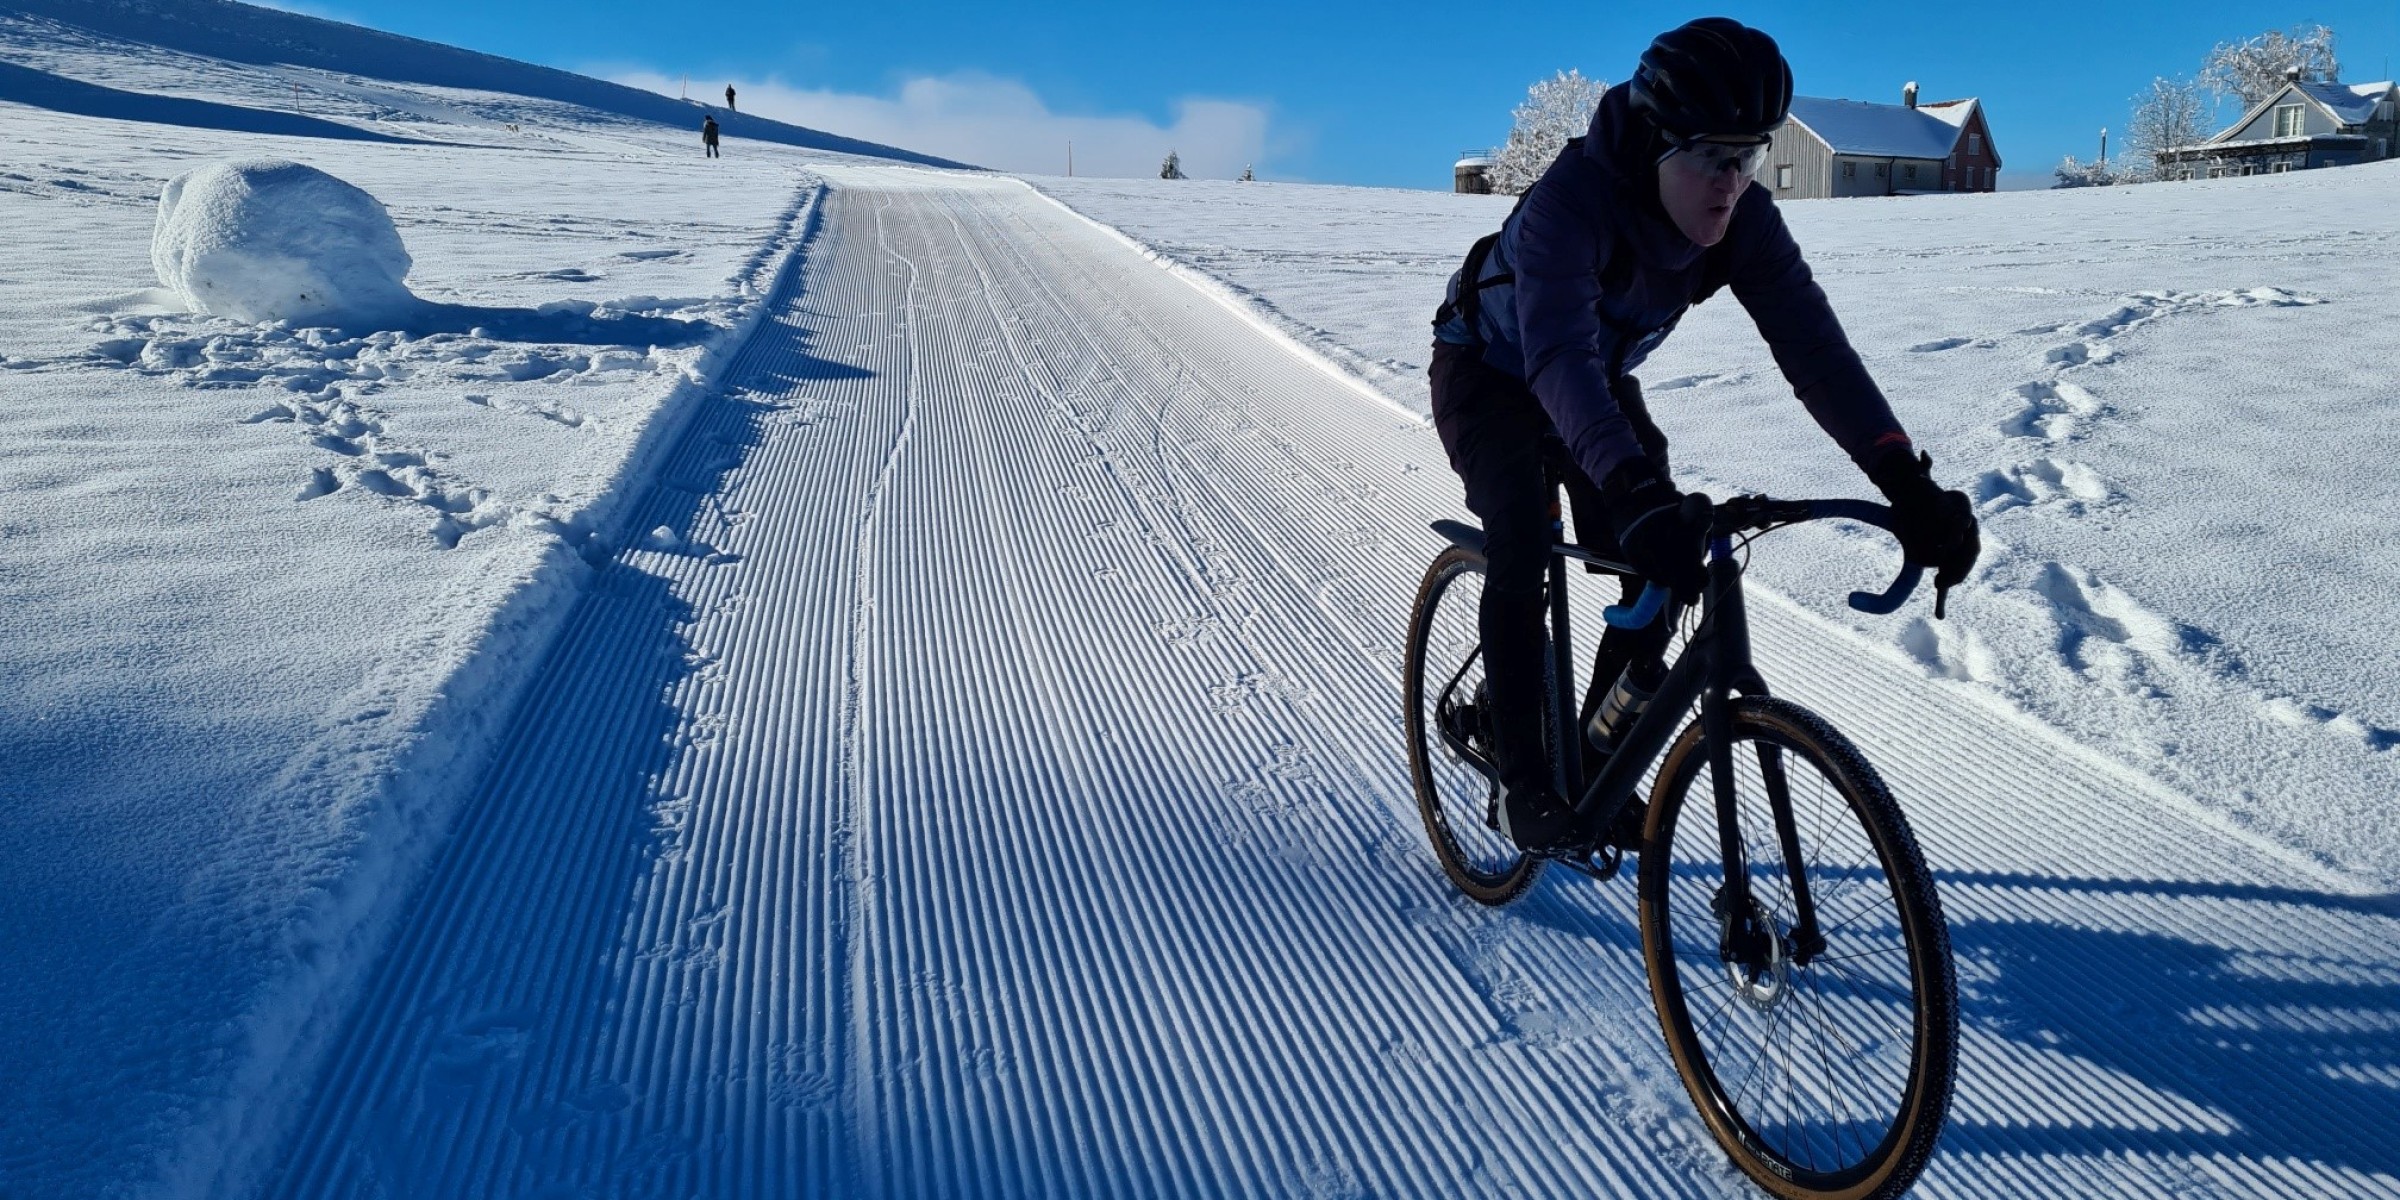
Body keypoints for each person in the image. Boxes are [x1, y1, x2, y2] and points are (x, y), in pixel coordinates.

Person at [1428, 17, 1979, 853]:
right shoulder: (1570, 205)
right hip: (1493, 375)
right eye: (1713, 157)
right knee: (1522, 540)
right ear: (1654, 142)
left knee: (1659, 571)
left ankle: (1591, 757)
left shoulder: (1743, 220)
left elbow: (1816, 352)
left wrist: (1905, 480)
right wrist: (1630, 488)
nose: (1733, 183)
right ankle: (1523, 783)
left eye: (1750, 156)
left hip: (1593, 383)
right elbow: (1558, 359)